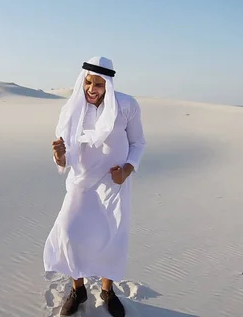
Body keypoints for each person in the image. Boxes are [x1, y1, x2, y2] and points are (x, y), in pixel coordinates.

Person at [43, 56, 146, 317]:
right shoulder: (73, 108)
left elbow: (138, 143)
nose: (91, 88)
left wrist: (127, 170)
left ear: (108, 84)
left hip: (113, 184)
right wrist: (58, 155)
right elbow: (64, 157)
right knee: (68, 233)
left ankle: (107, 290)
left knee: (111, 237)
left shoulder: (126, 105)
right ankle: (77, 289)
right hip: (81, 183)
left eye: (98, 84)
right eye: (88, 82)